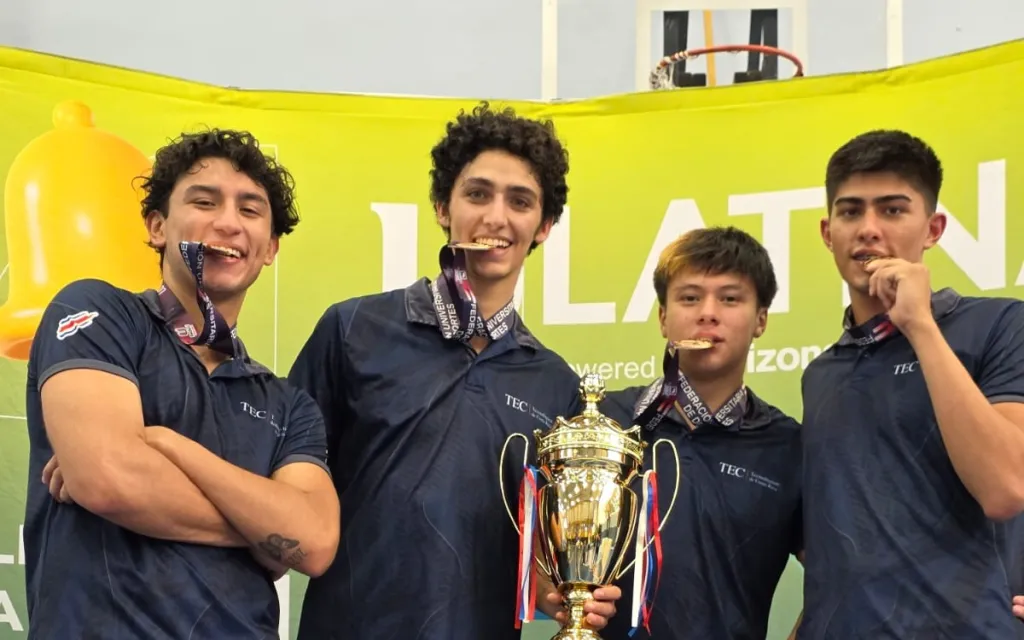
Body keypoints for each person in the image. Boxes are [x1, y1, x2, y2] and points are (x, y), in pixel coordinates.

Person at [287, 102, 619, 639]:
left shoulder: (556, 385)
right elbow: (285, 492)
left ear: (545, 227)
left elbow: (535, 554)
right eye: (477, 194)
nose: (496, 217)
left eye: (521, 201)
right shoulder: (352, 330)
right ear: (443, 206)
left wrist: (565, 590)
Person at [23, 130, 340, 638]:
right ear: (157, 227)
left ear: (270, 250)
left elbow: (318, 543)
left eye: (250, 210)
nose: (228, 222)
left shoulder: (288, 404)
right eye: (203, 201)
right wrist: (265, 530)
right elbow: (108, 479)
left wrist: (168, 445)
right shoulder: (101, 313)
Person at [797, 129, 1024, 638]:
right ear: (827, 232)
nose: (869, 229)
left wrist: (919, 324)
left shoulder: (1000, 325)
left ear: (933, 228)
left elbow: (1006, 488)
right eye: (851, 211)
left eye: (893, 210)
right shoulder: (821, 375)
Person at [580, 227, 804, 640]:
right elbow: (532, 549)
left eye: (730, 298)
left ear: (761, 320)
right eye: (689, 297)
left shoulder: (789, 447)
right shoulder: (602, 422)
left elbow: (840, 574)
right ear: (664, 318)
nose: (708, 312)